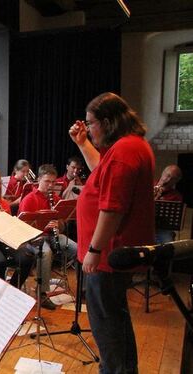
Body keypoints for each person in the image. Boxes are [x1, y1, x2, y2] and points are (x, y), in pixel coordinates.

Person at [69, 92, 155, 373]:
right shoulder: (128, 147)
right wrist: (83, 144)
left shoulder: (124, 152)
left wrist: (94, 250)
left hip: (107, 255)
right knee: (113, 322)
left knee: (107, 326)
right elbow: (100, 171)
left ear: (106, 122)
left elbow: (112, 209)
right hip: (109, 253)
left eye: (90, 123)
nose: (88, 128)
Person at [18, 164, 79, 310]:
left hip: (52, 236)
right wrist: (43, 227)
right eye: (47, 181)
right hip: (34, 238)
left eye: (53, 182)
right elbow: (22, 228)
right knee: (45, 253)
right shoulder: (29, 199)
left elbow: (64, 224)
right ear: (39, 180)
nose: (50, 185)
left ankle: (83, 288)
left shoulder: (56, 198)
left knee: (77, 249)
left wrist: (59, 224)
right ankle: (42, 292)